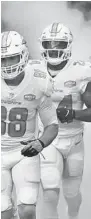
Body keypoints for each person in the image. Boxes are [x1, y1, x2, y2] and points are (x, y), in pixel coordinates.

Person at [38, 22, 91, 219]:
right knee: (49, 190)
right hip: (48, 139)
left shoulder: (80, 72)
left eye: (58, 44)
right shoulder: (34, 71)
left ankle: (72, 215)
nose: (54, 49)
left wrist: (74, 115)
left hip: (74, 139)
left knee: (71, 193)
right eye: (49, 44)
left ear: (68, 46)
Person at [1, 31, 58, 219]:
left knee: (27, 210)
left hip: (24, 152)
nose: (7, 66)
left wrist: (41, 143)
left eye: (12, 59)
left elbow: (52, 125)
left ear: (24, 55)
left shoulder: (39, 81)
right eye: (3, 60)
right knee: (4, 212)